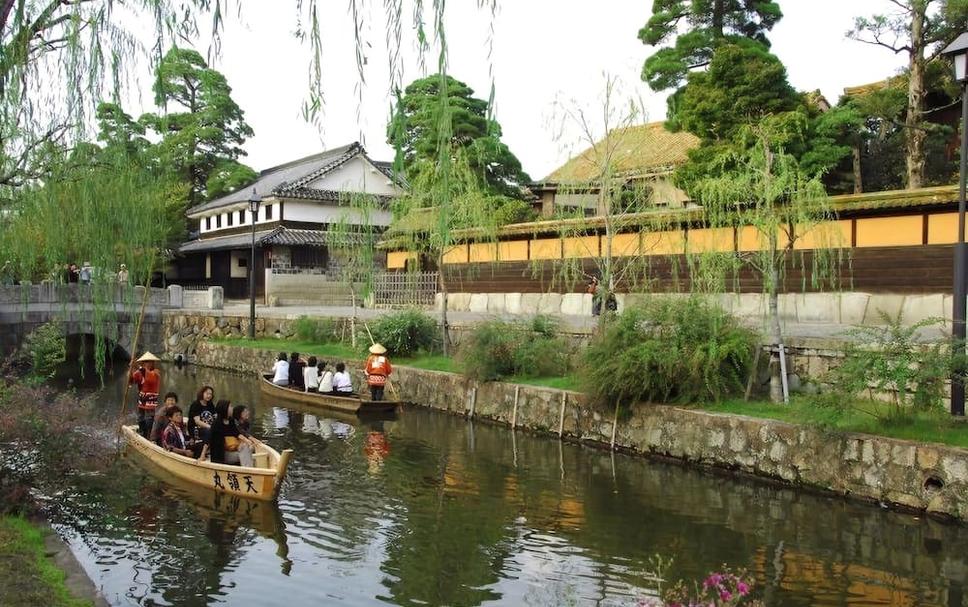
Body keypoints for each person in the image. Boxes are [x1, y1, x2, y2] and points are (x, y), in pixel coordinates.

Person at [209, 400, 254, 467]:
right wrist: (202, 456)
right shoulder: (216, 424)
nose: (232, 408)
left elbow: (236, 432)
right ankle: (248, 471)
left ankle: (248, 470)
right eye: (230, 406)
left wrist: (247, 441)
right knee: (245, 452)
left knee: (246, 448)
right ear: (224, 409)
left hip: (231, 451)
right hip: (221, 456)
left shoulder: (231, 420)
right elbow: (208, 440)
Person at [130, 352, 162, 439]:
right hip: (142, 398)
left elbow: (151, 378)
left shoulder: (156, 372)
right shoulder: (140, 372)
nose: (148, 363)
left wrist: (138, 367)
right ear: (143, 363)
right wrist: (131, 368)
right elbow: (132, 380)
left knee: (150, 417)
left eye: (150, 362)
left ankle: (148, 434)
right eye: (146, 362)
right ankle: (142, 432)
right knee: (140, 417)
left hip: (151, 399)